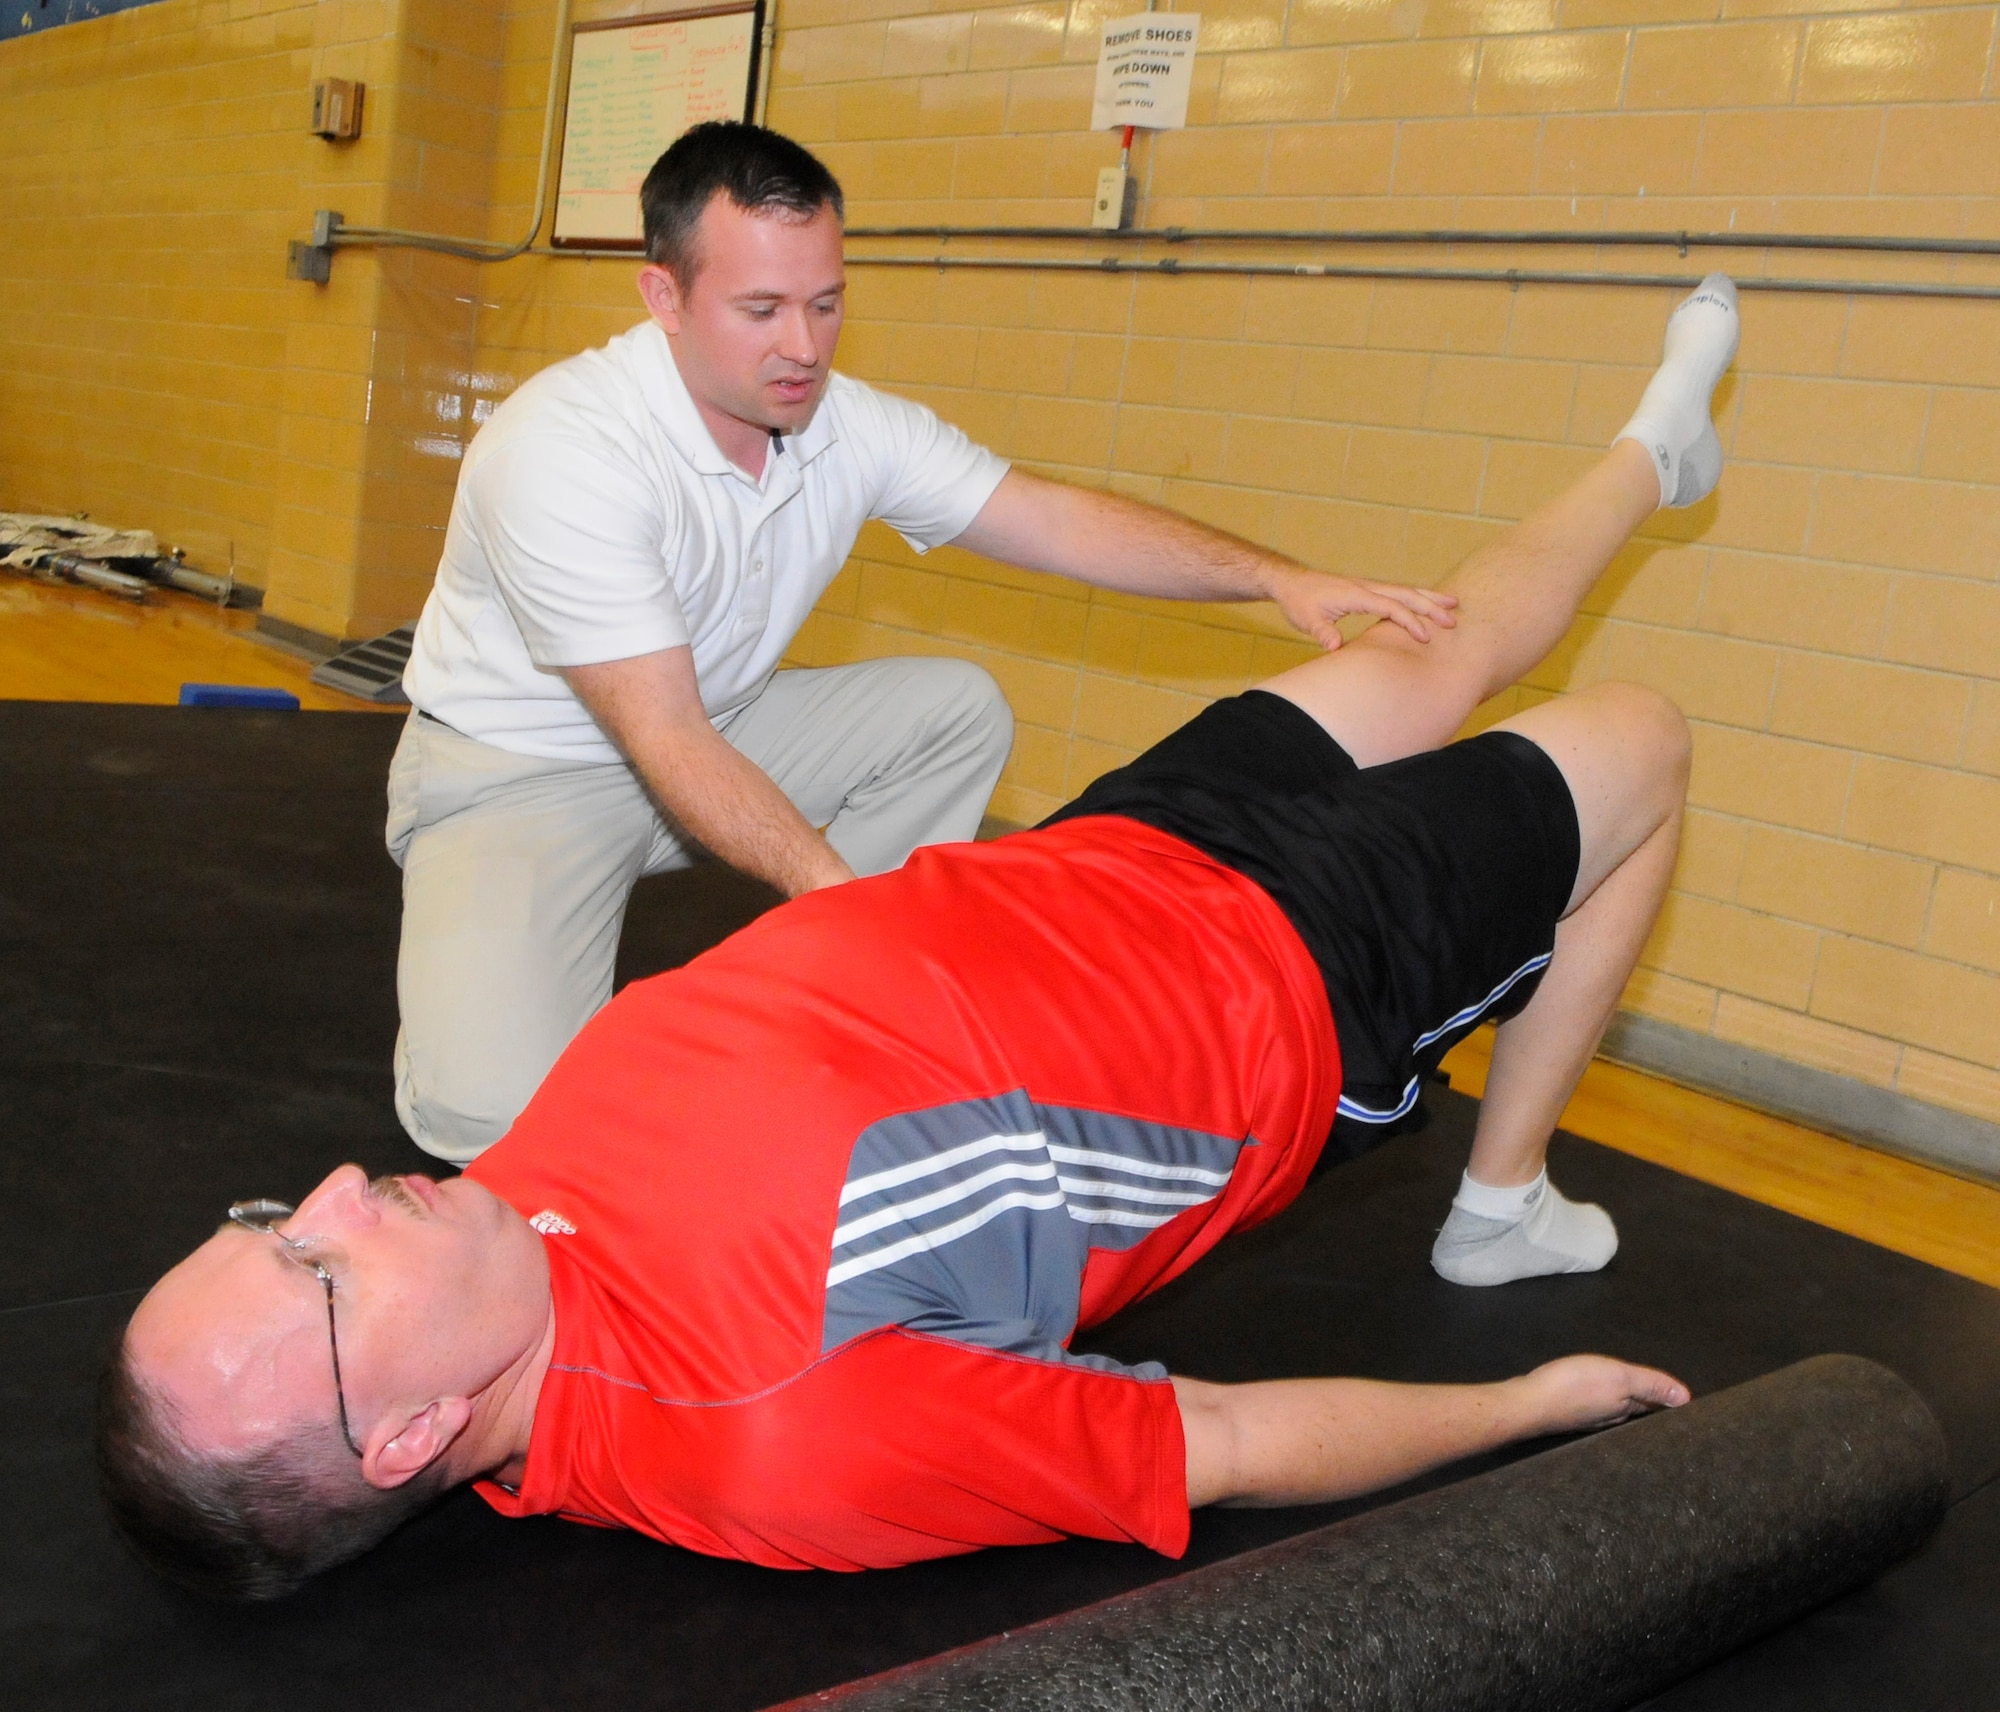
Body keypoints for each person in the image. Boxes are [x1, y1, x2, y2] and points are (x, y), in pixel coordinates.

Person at [101, 276, 1743, 1603]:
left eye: (269, 1216)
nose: (329, 1191)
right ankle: (1502, 1203)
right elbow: (1218, 1435)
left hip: (1115, 852)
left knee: (1427, 645)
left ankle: (1651, 461)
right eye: (314, 1265)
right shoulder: (772, 1431)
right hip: (1298, 986)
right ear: (407, 1435)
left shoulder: (502, 1228)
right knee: (1641, 736)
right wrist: (1529, 1408)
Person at [392, 120, 1458, 1162]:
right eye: (760, 308)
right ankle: (848, 949)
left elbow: (1051, 519)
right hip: (528, 771)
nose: (803, 346)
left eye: (825, 301)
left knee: (952, 709)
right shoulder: (564, 448)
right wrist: (836, 896)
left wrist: (1273, 575)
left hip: (719, 723)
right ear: (662, 296)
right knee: (497, 1125)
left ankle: (815, 1010)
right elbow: (661, 735)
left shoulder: (842, 422)